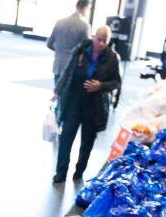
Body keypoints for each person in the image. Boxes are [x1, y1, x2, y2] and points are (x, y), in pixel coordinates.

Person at [51, 24, 119, 184]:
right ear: (93, 36)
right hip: (74, 100)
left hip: (94, 105)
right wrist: (57, 91)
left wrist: (100, 86)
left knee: (87, 140)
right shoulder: (81, 50)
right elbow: (68, 71)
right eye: (99, 39)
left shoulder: (112, 57)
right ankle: (61, 171)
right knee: (66, 136)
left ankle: (79, 171)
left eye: (105, 41)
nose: (101, 43)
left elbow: (116, 82)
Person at [46, 0, 89, 87]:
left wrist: (60, 51)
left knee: (57, 94)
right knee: (67, 98)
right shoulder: (84, 26)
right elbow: (86, 49)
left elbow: (49, 44)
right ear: (85, 8)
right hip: (72, 68)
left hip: (58, 66)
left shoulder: (60, 22)